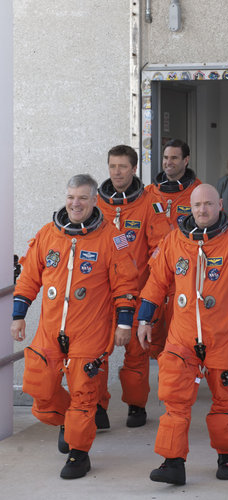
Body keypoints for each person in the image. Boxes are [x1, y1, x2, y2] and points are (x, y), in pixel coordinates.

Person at [137, 183, 228, 485]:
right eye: (197, 205)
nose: (202, 210)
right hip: (183, 336)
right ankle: (173, 462)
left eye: (208, 204)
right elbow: (156, 283)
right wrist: (144, 319)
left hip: (223, 335)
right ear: (190, 208)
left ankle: (226, 455)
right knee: (174, 399)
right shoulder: (174, 241)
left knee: (225, 401)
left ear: (220, 205)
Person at [10, 174, 138, 479]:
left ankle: (79, 454)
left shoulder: (112, 238)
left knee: (84, 395)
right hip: (50, 330)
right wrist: (18, 315)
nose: (75, 203)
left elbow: (125, 285)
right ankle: (68, 421)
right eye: (70, 197)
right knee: (38, 390)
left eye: (82, 197)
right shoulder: (47, 234)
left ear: (95, 200)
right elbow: (29, 277)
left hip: (89, 332)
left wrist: (123, 324)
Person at [97, 145, 171, 427]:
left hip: (138, 291)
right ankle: (97, 406)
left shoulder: (150, 204)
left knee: (137, 354)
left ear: (134, 169)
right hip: (101, 295)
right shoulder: (96, 203)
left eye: (123, 167)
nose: (117, 172)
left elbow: (160, 249)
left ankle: (136, 405)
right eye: (113, 166)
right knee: (96, 353)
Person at [145, 139, 202, 329]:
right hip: (154, 273)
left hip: (184, 273)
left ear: (186, 160)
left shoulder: (198, 192)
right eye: (166, 157)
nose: (168, 162)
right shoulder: (148, 193)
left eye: (174, 158)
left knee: (181, 331)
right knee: (151, 337)